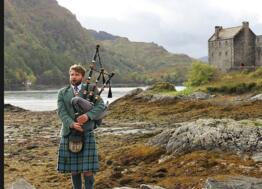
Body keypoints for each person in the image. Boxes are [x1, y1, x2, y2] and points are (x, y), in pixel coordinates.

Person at [57, 64, 105, 189]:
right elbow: (61, 112)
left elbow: (101, 106)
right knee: (74, 170)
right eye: (72, 74)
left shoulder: (91, 89)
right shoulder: (62, 92)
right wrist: (72, 124)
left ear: (82, 77)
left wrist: (88, 116)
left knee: (88, 170)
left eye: (77, 74)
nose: (73, 77)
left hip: (86, 132)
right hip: (69, 132)